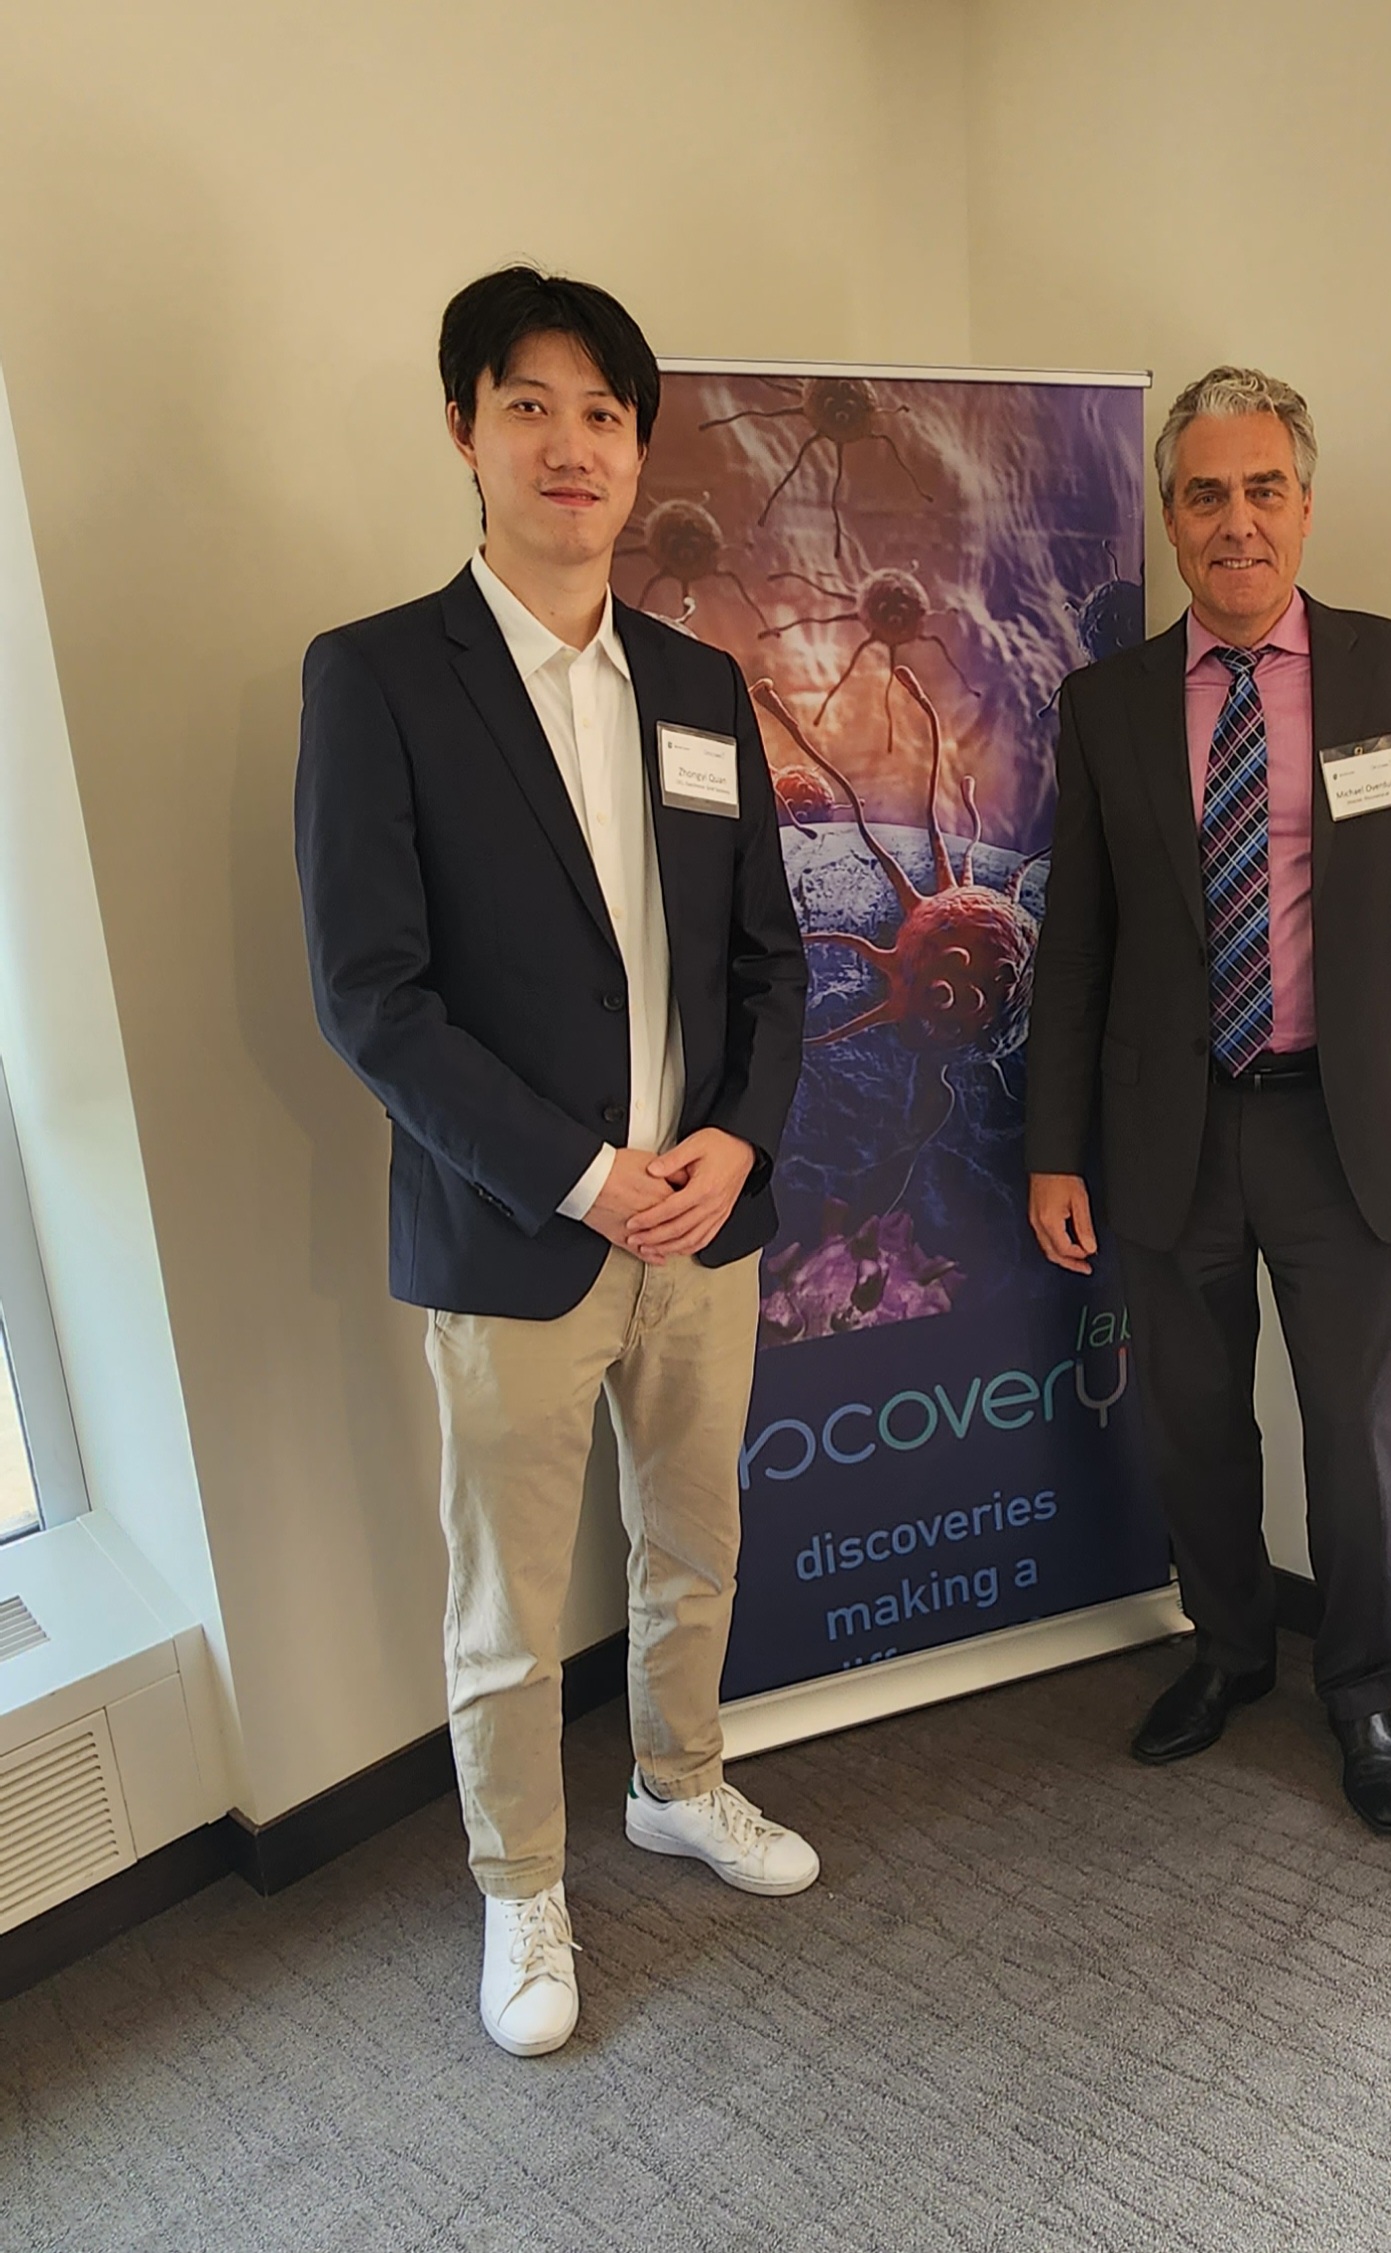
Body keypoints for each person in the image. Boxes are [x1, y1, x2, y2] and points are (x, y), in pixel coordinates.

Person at [295, 267, 814, 2059]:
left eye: (604, 413)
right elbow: (373, 999)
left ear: (638, 444)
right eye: (531, 405)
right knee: (508, 1602)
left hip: (709, 1216)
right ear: (466, 430)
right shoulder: (375, 680)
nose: (571, 445)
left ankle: (678, 1780)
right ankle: (523, 1884)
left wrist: (732, 1139)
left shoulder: (698, 681)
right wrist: (588, 1175)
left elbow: (771, 956)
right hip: (521, 1225)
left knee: (695, 1540)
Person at [1023, 367, 1391, 1835]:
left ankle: (1362, 1686)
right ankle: (1229, 1649)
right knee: (1194, 1419)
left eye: (1264, 488)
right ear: (1170, 515)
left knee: (1352, 1428)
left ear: (1306, 502)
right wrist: (1053, 1151)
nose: (1238, 521)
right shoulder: (1102, 705)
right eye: (1207, 493)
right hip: (1172, 1127)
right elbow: (1079, 942)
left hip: (1345, 1124)